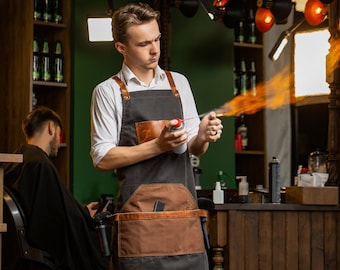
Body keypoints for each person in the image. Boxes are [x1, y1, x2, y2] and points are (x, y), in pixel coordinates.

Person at [90, 2, 223, 270]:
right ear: (121, 47)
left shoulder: (179, 84)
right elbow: (102, 157)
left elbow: (194, 149)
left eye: (157, 39)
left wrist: (204, 135)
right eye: (143, 44)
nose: (154, 50)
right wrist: (158, 145)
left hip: (183, 219)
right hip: (138, 225)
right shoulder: (108, 92)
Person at [4, 106, 109, 270]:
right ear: (51, 128)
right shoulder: (40, 164)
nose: (59, 143)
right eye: (60, 134)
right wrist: (84, 217)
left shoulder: (16, 160)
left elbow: (46, 209)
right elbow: (58, 220)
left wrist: (81, 210)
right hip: (45, 252)